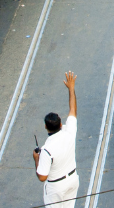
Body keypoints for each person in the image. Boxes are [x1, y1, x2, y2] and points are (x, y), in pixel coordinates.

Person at [35, 72, 79, 208]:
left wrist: (36, 158)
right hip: (72, 180)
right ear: (61, 125)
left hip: (56, 187)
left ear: (45, 127)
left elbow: (42, 177)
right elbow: (73, 110)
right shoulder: (69, 132)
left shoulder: (47, 150)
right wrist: (71, 88)